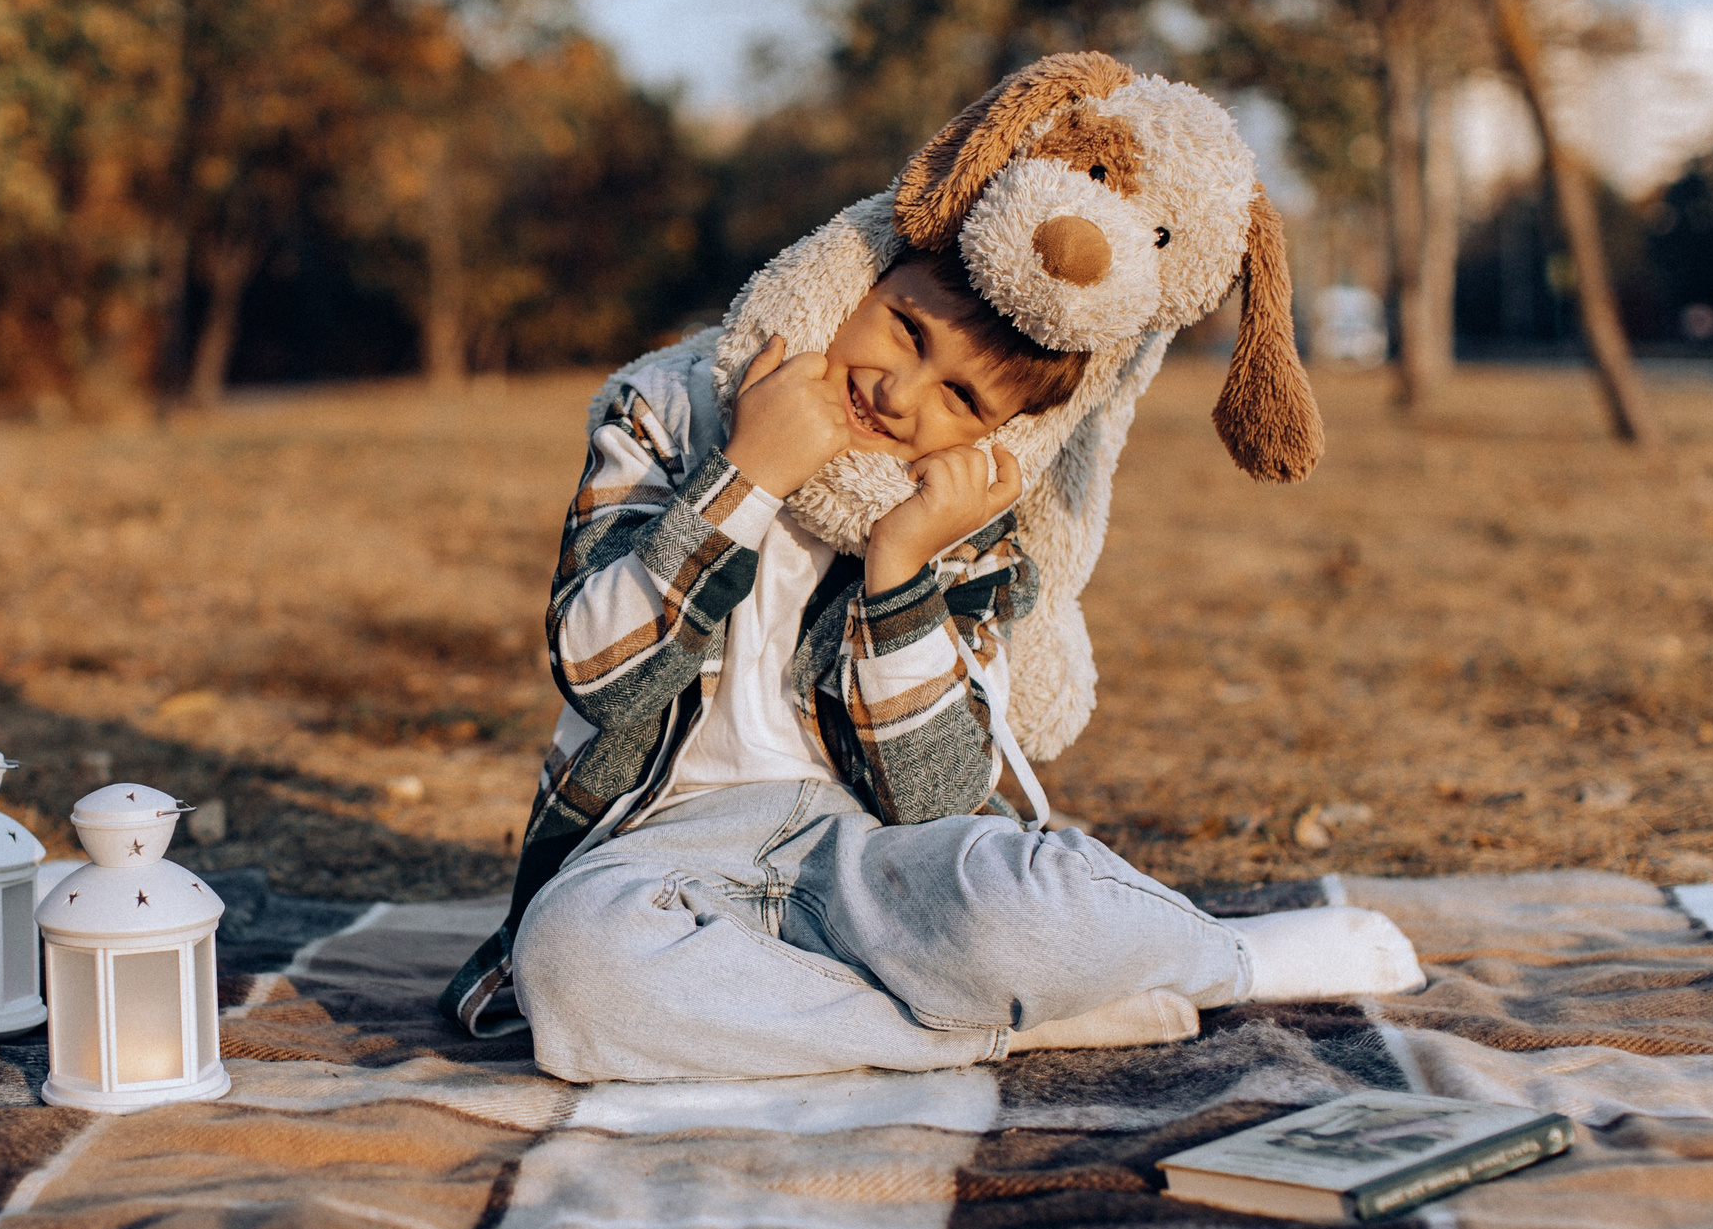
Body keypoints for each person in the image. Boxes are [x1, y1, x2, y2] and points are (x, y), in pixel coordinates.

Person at [434, 251, 1421, 1087]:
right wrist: (747, 475)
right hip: (658, 848)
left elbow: (936, 799)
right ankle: (993, 1032)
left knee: (1026, 909)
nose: (898, 394)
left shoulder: (966, 515)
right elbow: (599, 673)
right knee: (568, 963)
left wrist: (901, 571)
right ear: (850, 283)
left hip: (867, 857)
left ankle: (1232, 957)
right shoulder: (674, 408)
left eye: (960, 394)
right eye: (904, 329)